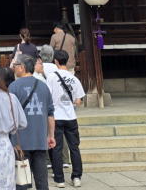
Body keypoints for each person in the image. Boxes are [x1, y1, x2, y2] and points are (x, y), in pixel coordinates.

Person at [9, 55, 55, 190]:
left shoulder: (13, 87)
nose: (14, 68)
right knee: (42, 180)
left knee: (21, 181)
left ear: (22, 67)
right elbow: (50, 114)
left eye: (15, 65)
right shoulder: (43, 86)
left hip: (20, 141)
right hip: (40, 139)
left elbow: (9, 114)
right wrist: (51, 135)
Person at [46, 50, 85, 188]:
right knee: (74, 147)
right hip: (71, 116)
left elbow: (48, 97)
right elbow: (79, 101)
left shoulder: (51, 77)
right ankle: (76, 177)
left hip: (56, 116)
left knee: (56, 148)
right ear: (67, 61)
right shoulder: (74, 78)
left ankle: (59, 179)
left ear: (55, 61)